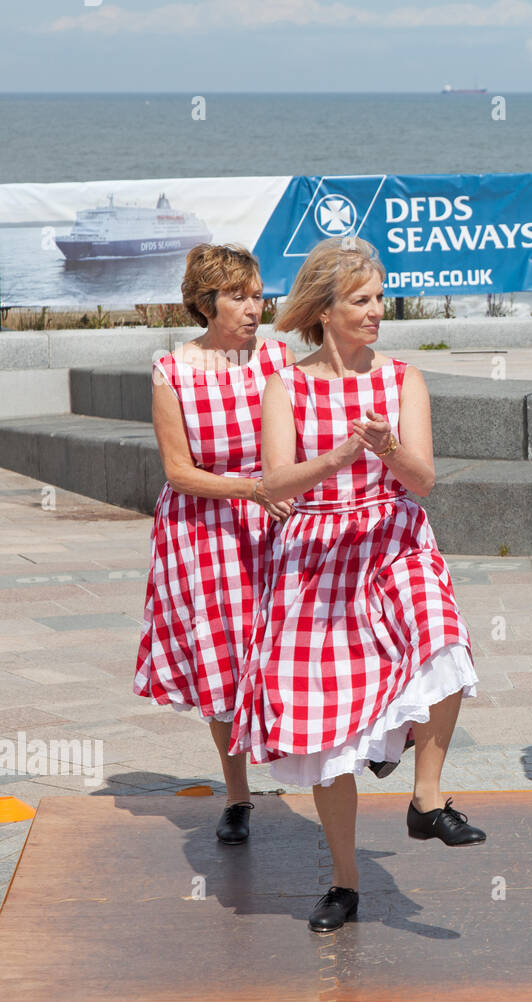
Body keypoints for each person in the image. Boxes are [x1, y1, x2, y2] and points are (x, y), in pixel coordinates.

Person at [231, 237, 483, 934]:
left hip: (393, 539)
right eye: (362, 300)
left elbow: (424, 479)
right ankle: (345, 880)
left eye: (379, 298)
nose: (377, 311)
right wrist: (343, 451)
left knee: (444, 646)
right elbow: (274, 482)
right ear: (324, 308)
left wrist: (388, 448)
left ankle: (426, 799)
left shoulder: (403, 378)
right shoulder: (286, 382)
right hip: (314, 552)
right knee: (324, 730)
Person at [134, 244, 294, 846]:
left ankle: (359, 743)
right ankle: (237, 797)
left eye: (257, 295)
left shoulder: (277, 357)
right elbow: (178, 471)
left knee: (298, 643)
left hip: (273, 519)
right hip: (206, 531)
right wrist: (254, 488)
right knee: (223, 667)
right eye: (238, 296)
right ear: (206, 303)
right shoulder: (171, 370)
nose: (254, 308)